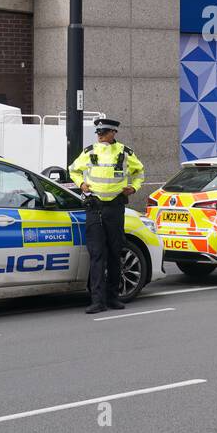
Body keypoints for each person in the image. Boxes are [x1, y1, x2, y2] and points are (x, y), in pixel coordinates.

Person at [67, 118, 145, 314]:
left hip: (115, 208)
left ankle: (113, 297)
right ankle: (97, 300)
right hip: (95, 208)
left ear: (113, 133)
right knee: (97, 255)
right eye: (99, 132)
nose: (100, 135)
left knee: (114, 253)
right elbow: (73, 170)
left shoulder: (125, 152)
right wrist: (81, 185)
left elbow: (140, 172)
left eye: (104, 132)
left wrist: (133, 188)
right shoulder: (89, 151)